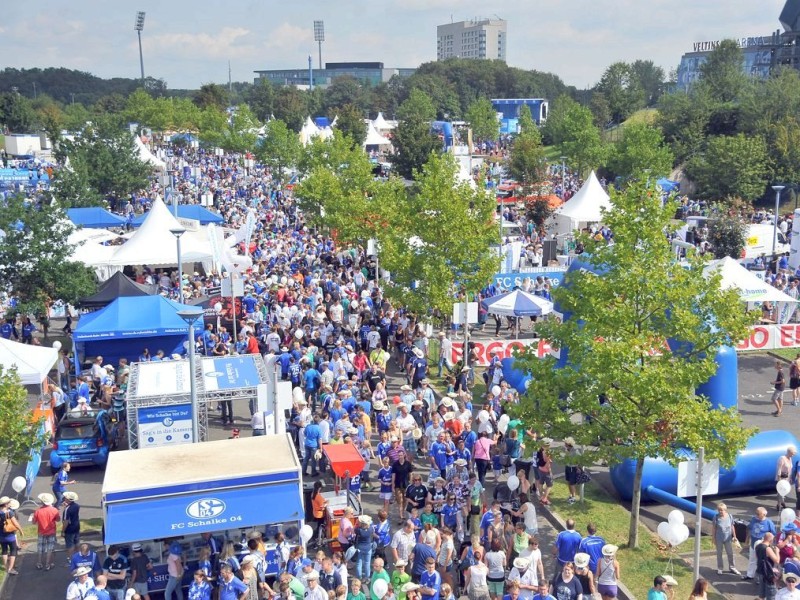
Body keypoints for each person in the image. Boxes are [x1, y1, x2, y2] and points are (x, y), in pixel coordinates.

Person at [746, 507, 777, 580]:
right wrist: (747, 539)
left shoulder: (768, 522)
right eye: (756, 513)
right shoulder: (753, 519)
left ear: (764, 514)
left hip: (762, 545)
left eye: (758, 514)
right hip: (753, 543)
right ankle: (750, 575)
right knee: (752, 559)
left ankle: (759, 578)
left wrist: (770, 544)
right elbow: (750, 529)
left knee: (760, 561)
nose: (756, 515)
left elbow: (773, 534)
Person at [31, 491, 59, 570]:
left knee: (40, 548)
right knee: (50, 548)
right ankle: (48, 564)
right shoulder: (54, 510)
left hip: (41, 532)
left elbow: (34, 522)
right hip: (52, 531)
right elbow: (58, 519)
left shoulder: (38, 511)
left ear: (42, 502)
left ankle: (39, 563)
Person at [711, 502, 740, 576]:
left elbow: (732, 526)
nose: (720, 511)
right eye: (719, 510)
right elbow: (714, 528)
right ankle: (720, 568)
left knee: (730, 553)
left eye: (722, 510)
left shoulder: (730, 516)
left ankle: (732, 567)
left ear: (725, 510)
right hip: (719, 538)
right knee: (719, 553)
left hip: (728, 538)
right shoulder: (716, 517)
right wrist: (713, 538)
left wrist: (735, 536)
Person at [0, 496, 23, 575]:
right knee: (13, 551)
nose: (10, 504)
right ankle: (10, 568)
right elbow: (15, 523)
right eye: (9, 502)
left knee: (4, 551)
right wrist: (20, 530)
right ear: (6, 504)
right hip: (10, 536)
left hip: (1, 536)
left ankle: (6, 567)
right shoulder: (9, 512)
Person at [756, 532, 780, 600]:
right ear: (770, 540)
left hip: (760, 571)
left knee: (762, 593)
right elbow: (777, 561)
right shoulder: (767, 549)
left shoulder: (757, 546)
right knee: (771, 594)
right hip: (768, 573)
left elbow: (757, 557)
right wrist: (777, 552)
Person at [62, 491, 82, 558]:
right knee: (77, 543)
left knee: (70, 545)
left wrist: (63, 531)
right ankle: (79, 557)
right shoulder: (77, 506)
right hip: (76, 527)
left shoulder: (67, 510)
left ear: (67, 499)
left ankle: (71, 559)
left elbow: (66, 521)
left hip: (69, 529)